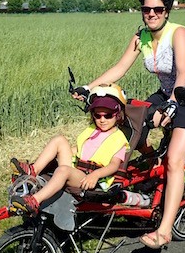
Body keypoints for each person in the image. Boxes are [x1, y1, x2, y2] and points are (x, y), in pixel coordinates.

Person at [75, 0, 185, 249]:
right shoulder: (142, 37)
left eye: (158, 9)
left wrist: (173, 104)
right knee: (127, 126)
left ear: (167, 10)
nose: (151, 14)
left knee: (174, 160)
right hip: (166, 93)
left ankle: (164, 231)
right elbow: (120, 67)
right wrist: (89, 87)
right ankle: (144, 171)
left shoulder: (179, 34)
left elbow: (182, 73)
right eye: (146, 9)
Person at [10, 84, 130, 215]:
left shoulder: (119, 139)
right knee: (59, 140)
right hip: (78, 169)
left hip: (90, 179)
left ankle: (34, 201)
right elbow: (79, 150)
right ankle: (33, 170)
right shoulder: (93, 131)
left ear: (117, 115)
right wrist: (56, 155)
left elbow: (113, 166)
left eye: (108, 116)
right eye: (97, 115)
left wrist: (95, 175)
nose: (102, 120)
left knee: (63, 170)